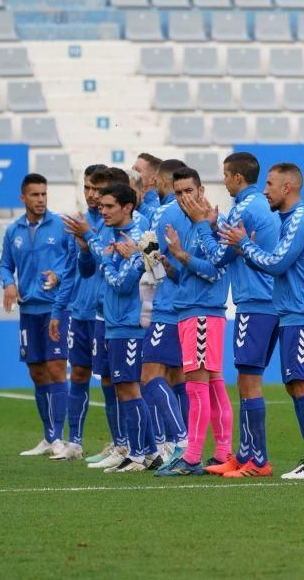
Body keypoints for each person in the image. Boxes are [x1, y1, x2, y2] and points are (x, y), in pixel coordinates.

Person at [219, 163, 304, 480]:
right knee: (295, 385)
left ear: (287, 188)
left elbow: (277, 263)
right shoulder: (286, 221)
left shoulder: (300, 220)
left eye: (270, 184)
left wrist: (244, 244)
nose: (265, 190)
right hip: (291, 314)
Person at [187, 152, 282, 478]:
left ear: (237, 178)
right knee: (245, 380)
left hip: (255, 303)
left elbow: (216, 258)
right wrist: (214, 225)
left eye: (226, 176)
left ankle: (257, 461)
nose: (224, 181)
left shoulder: (243, 209)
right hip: (262, 302)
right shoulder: (254, 207)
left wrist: (202, 226)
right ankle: (244, 455)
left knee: (248, 382)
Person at [64, 167, 151, 470]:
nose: (97, 203)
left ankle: (144, 448)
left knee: (132, 384)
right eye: (95, 199)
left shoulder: (137, 227)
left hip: (128, 320)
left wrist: (99, 253)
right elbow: (90, 267)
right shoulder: (103, 225)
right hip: (106, 315)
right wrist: (87, 249)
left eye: (103, 199)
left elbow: (123, 278)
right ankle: (128, 446)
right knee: (112, 381)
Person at [155, 167, 233, 477]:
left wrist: (180, 255)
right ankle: (222, 452)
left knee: (197, 387)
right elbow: (184, 274)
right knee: (212, 385)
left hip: (203, 312)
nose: (184, 197)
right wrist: (168, 263)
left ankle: (191, 458)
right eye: (178, 192)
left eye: (189, 190)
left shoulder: (213, 224)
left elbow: (215, 270)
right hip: (189, 310)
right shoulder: (184, 226)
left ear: (201, 190)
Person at [82, 182, 160, 472]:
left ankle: (137, 454)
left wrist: (106, 260)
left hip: (130, 324)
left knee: (129, 389)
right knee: (123, 387)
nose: (103, 211)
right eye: (101, 206)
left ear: (127, 207)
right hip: (115, 323)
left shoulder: (141, 236)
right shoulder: (115, 235)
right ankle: (150, 452)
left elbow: (122, 282)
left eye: (109, 206)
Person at [0, 174, 75, 458]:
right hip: (28, 310)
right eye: (35, 195)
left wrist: (59, 276)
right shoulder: (13, 230)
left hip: (56, 309)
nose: (41, 200)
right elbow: (5, 265)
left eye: (44, 194)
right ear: (23, 198)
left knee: (56, 368)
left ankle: (59, 438)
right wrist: (8, 283)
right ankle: (48, 437)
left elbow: (75, 263)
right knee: (36, 372)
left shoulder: (62, 226)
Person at [48, 164, 107, 460]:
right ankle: (76, 442)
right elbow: (70, 271)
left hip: (106, 315)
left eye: (97, 188)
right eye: (87, 188)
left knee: (113, 379)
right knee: (79, 374)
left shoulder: (112, 223)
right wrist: (59, 310)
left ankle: (121, 442)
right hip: (79, 313)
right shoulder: (78, 223)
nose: (92, 194)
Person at [138, 159, 190, 471]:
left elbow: (156, 266)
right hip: (187, 305)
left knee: (149, 376)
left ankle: (178, 441)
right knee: (176, 377)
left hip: (168, 305)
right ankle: (179, 442)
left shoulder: (163, 213)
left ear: (162, 180)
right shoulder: (189, 211)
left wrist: (147, 260)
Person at [133, 153, 162, 218]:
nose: (132, 173)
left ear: (152, 179)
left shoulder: (158, 208)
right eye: (132, 169)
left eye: (137, 171)